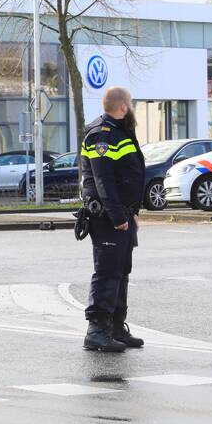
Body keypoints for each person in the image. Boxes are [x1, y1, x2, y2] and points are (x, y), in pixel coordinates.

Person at [79, 86, 146, 352]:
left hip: (122, 214)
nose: (132, 107)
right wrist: (118, 216)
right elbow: (102, 180)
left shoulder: (121, 131)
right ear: (123, 107)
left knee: (121, 271)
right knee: (107, 272)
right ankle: (96, 330)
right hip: (107, 216)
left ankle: (116, 326)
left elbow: (128, 176)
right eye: (131, 102)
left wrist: (133, 213)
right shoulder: (101, 135)